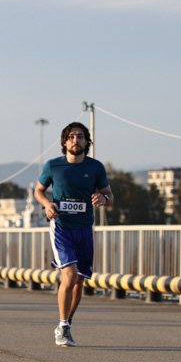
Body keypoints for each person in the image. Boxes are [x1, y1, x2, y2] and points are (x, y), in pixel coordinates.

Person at [33, 122, 114, 347]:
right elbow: (38, 190)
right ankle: (64, 327)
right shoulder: (53, 165)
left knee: (79, 281)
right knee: (69, 276)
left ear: (87, 141)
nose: (75, 140)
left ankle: (65, 323)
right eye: (71, 137)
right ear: (64, 141)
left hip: (85, 228)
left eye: (80, 136)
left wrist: (104, 199)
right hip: (62, 227)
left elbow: (109, 195)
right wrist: (47, 205)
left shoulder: (95, 167)